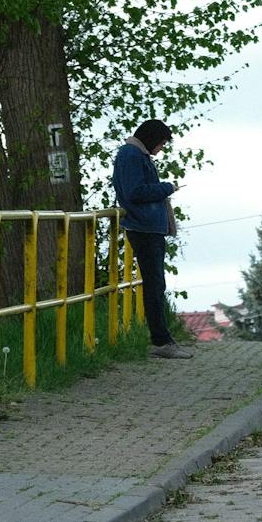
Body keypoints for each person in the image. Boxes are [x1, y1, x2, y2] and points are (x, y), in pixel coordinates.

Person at [113, 119, 192, 359]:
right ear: (151, 138)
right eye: (161, 143)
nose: (161, 149)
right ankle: (161, 341)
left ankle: (162, 339)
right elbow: (134, 192)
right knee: (155, 284)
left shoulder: (136, 155)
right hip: (144, 228)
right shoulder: (132, 156)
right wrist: (167, 187)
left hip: (149, 228)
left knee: (156, 284)